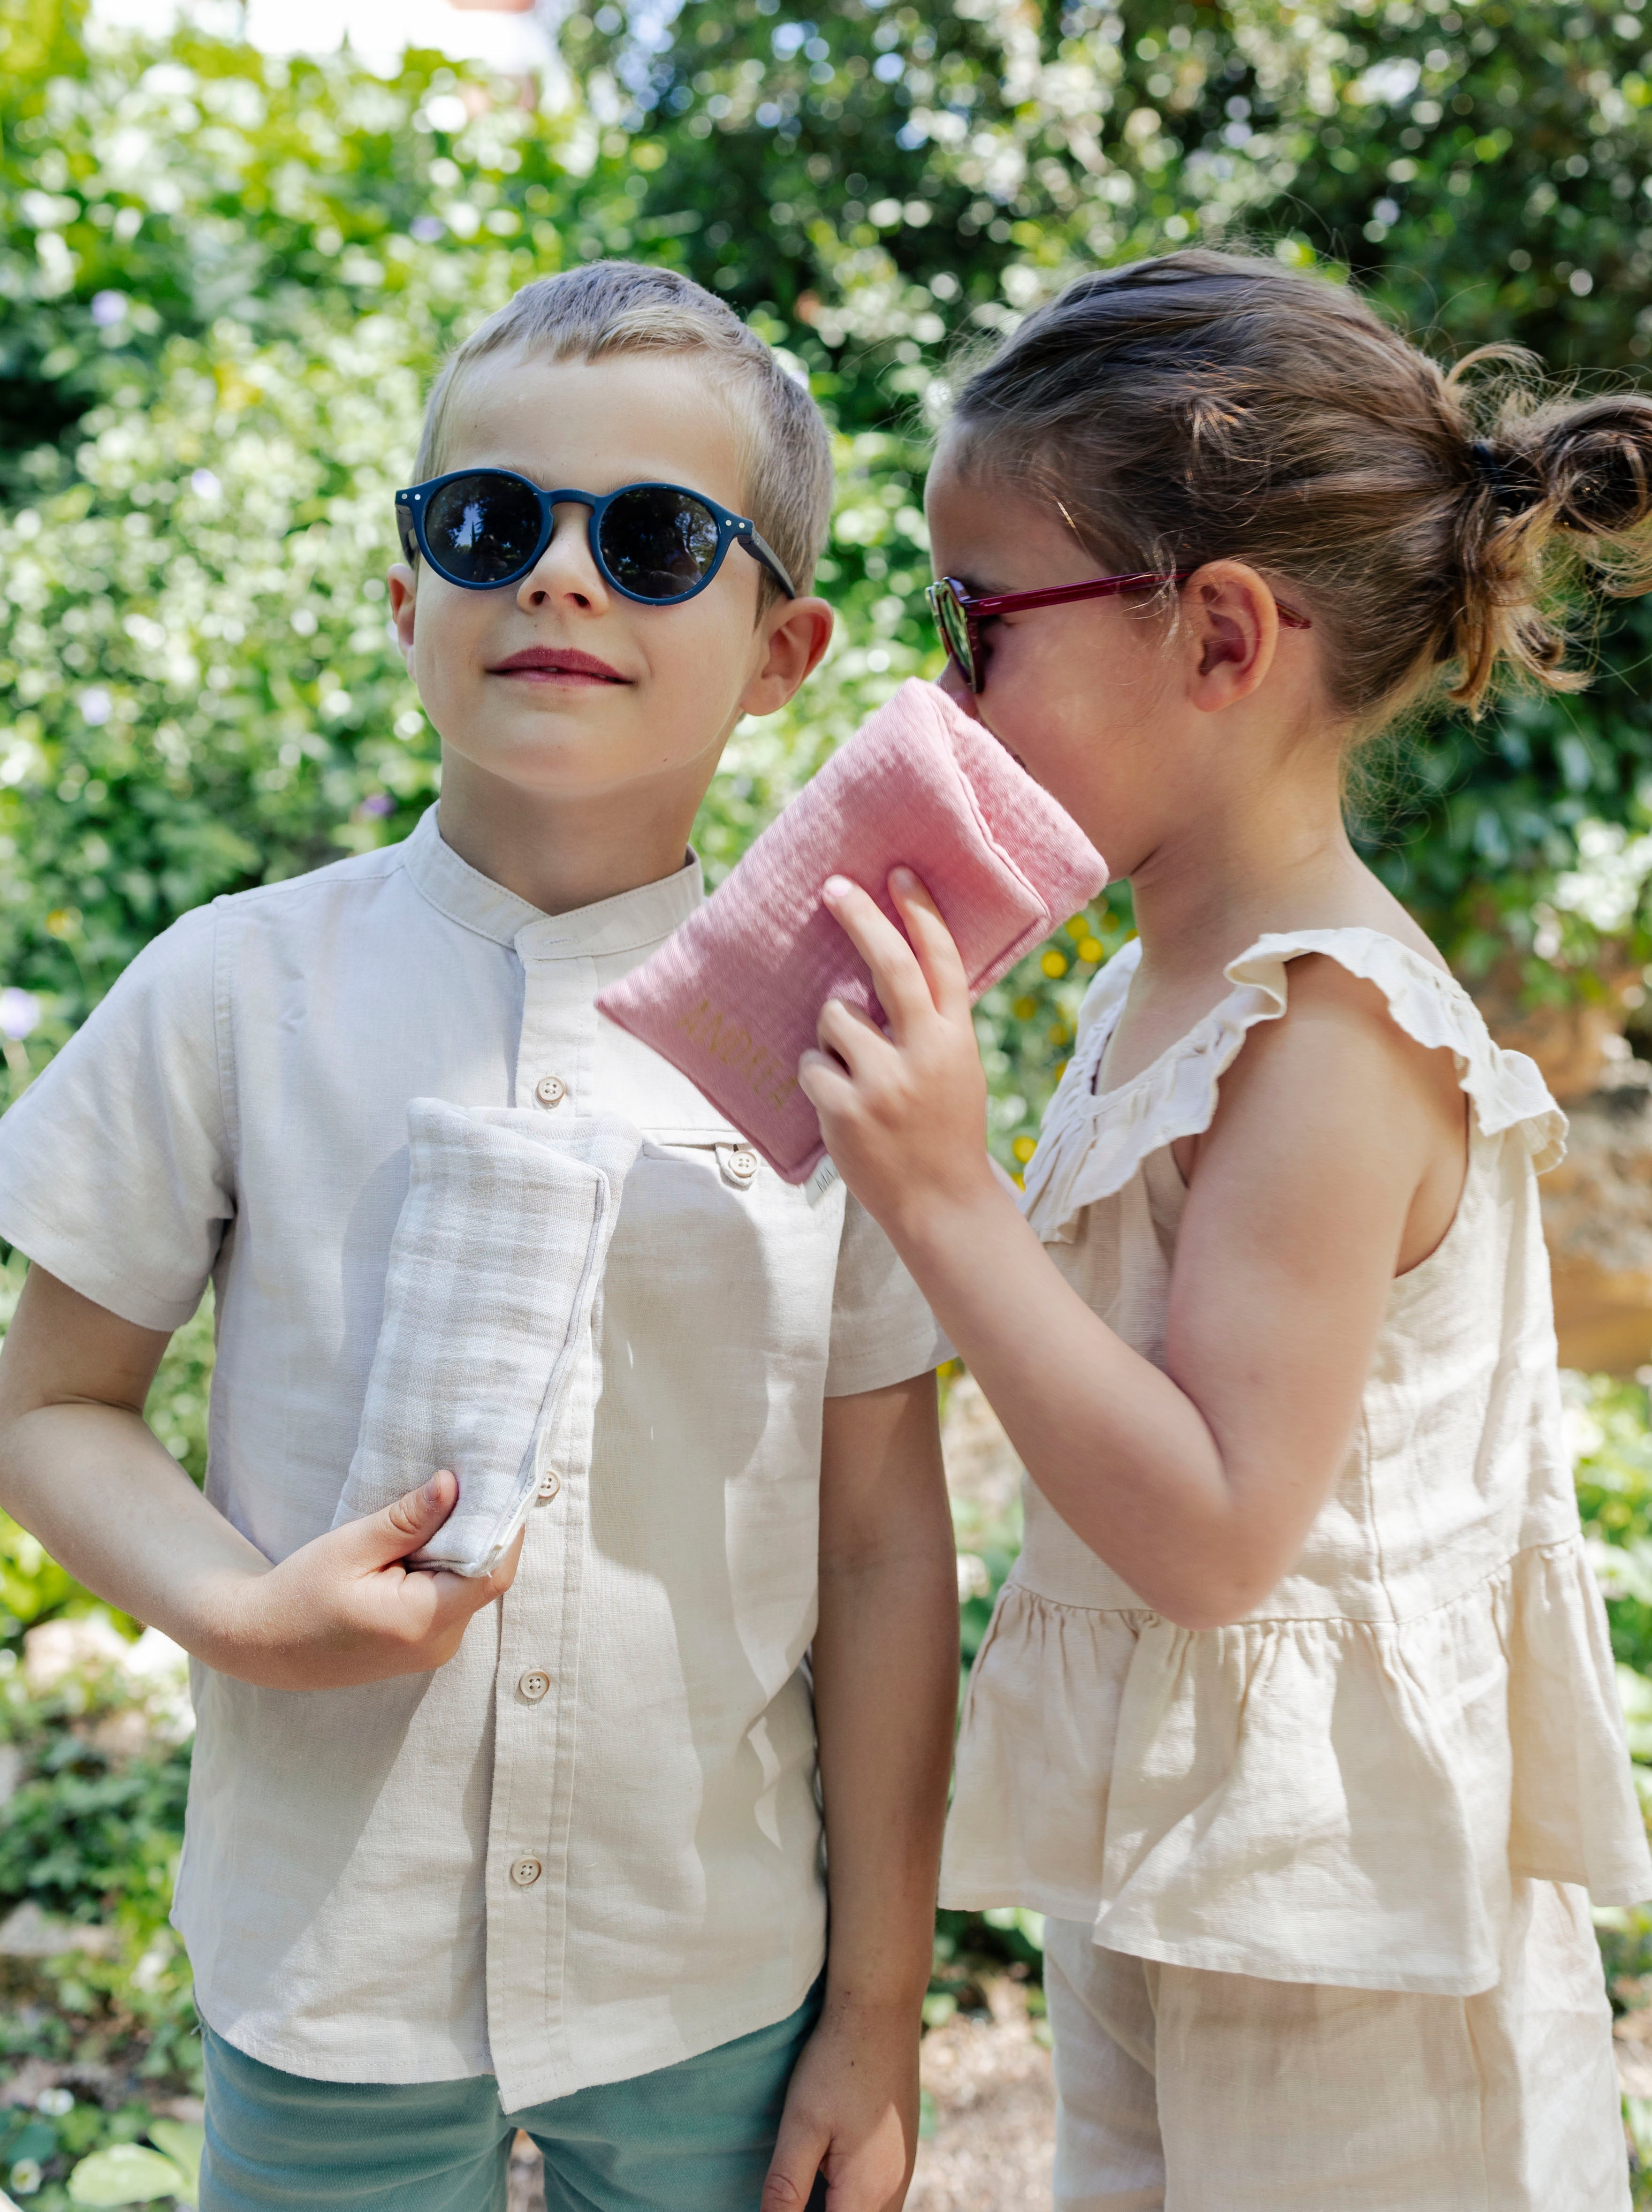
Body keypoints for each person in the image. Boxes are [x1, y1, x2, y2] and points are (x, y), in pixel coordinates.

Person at [0, 263, 958, 2212]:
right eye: (490, 523)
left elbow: (878, 1544)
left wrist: (878, 2006)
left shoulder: (855, 1051)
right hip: (326, 1961)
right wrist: (239, 1613)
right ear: (403, 598)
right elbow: (50, 1403)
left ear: (782, 650)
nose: (562, 579)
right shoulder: (235, 987)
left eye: (655, 539)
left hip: (707, 1966)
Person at [796, 248, 1652, 2210]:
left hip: (1351, 1945)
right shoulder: (1149, 988)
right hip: (1191, 1855)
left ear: (1217, 636)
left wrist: (940, 1190)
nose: (941, 695)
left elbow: (1210, 1532)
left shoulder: (1327, 1032)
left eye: (975, 622)